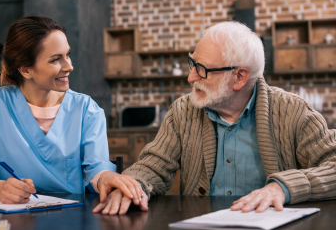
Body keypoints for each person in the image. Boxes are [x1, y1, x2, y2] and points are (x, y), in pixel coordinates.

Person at [93, 21, 336, 215]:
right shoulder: (182, 112)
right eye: (192, 64)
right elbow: (153, 166)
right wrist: (132, 186)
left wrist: (283, 187)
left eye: (202, 69)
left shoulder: (293, 111)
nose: (190, 77)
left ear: (240, 77)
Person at [0, 16, 143, 204]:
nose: (69, 66)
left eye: (68, 55)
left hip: (70, 220)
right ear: (25, 69)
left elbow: (97, 169)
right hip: (10, 219)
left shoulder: (87, 110)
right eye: (56, 59)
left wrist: (107, 176)